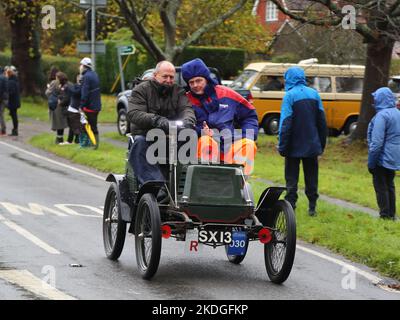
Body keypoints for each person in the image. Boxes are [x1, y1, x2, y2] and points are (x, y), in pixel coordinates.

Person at [181, 58, 258, 176]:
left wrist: (244, 136)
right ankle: (206, 183)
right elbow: (182, 126)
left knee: (248, 144)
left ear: (206, 78)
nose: (195, 85)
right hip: (204, 146)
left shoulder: (227, 94)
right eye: (191, 82)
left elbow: (250, 116)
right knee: (206, 141)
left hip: (230, 144)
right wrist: (200, 132)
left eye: (199, 80)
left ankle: (238, 184)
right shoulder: (186, 101)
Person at [127, 60, 196, 187]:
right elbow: (134, 113)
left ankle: (186, 185)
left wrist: (188, 121)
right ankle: (156, 186)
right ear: (155, 75)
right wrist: (157, 120)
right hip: (147, 136)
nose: (168, 80)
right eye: (165, 76)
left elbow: (187, 109)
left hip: (172, 138)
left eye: (171, 77)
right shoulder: (141, 90)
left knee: (190, 138)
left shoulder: (178, 91)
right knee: (140, 143)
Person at [278, 66, 327, 216]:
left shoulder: (289, 96)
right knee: (312, 176)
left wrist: (282, 145)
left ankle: (291, 206)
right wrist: (321, 144)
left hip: (293, 145)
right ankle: (312, 207)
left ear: (289, 78)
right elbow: (322, 122)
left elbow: (285, 123)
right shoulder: (314, 94)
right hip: (312, 144)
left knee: (291, 177)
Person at [367, 87, 400, 220]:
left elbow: (377, 143)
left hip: (382, 156)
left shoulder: (382, 116)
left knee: (381, 186)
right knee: (390, 184)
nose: (374, 101)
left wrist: (371, 162)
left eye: (376, 98)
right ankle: (392, 214)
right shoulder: (397, 112)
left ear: (380, 99)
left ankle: (385, 215)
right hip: (394, 156)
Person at [79, 57, 101, 149]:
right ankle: (92, 144)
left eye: (81, 65)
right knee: (92, 125)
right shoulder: (94, 74)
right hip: (96, 105)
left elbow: (85, 92)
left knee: (89, 126)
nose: (80, 67)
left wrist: (82, 105)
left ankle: (93, 145)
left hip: (89, 106)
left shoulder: (86, 77)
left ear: (84, 66)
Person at [5, 66, 20, 136]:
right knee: (14, 115)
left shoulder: (10, 82)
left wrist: (7, 96)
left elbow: (11, 92)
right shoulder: (15, 80)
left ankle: (15, 130)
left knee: (14, 115)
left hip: (12, 101)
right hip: (16, 100)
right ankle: (15, 129)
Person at [0, 66, 8, 136]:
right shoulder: (5, 77)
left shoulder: (0, 78)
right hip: (6, 98)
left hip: (1, 98)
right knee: (2, 113)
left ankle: (3, 129)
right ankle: (3, 129)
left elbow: (0, 89)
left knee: (1, 114)